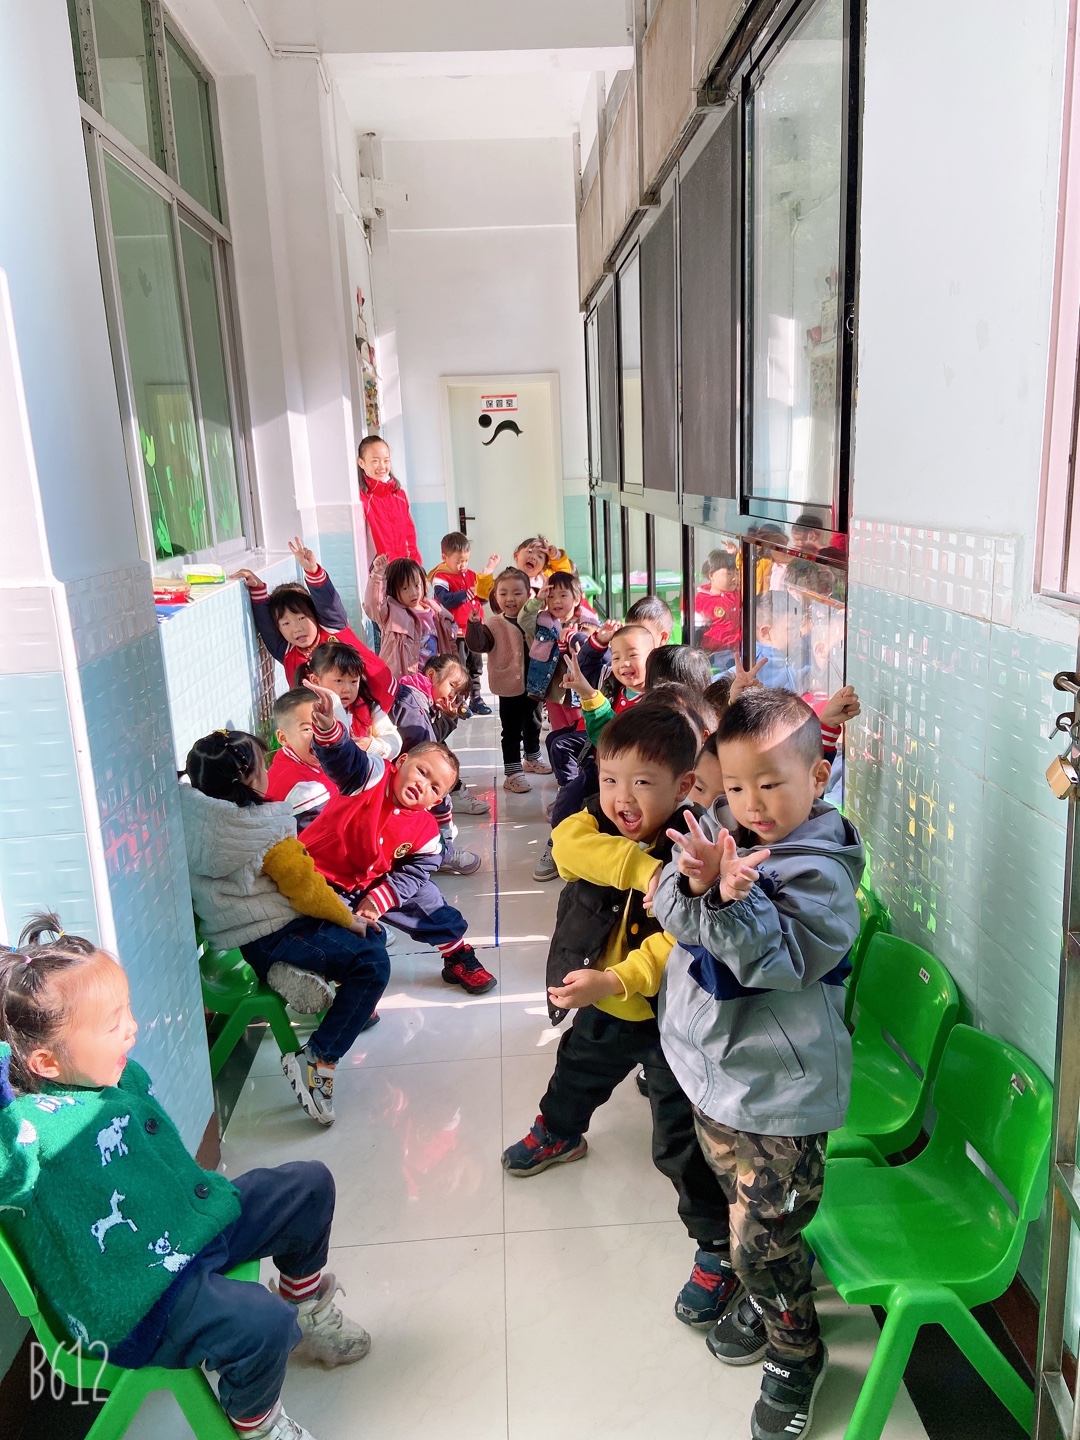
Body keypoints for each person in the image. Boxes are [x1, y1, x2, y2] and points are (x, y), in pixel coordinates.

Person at [0, 914, 372, 1440]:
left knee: (308, 1186)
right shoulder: (27, 1131)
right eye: (112, 1023)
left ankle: (305, 1303)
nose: (132, 1027)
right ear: (45, 1062)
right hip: (141, 1299)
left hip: (189, 1225)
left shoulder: (106, 1076)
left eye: (126, 1010)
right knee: (262, 1323)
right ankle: (258, 1423)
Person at [653, 688, 865, 1440]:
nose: (752, 804)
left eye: (771, 784)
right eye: (737, 786)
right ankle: (766, 1288)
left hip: (782, 1089)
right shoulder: (722, 829)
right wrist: (695, 883)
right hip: (714, 1068)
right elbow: (669, 910)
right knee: (742, 1210)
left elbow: (781, 963)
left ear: (818, 776)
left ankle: (796, 1352)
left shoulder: (822, 874)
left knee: (764, 1238)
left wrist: (731, 904)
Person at [502, 707, 740, 1325]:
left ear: (684, 786)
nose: (621, 797)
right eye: (610, 779)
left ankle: (717, 1248)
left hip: (669, 1022)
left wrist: (613, 979)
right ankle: (561, 1132)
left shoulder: (696, 853)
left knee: (679, 1139)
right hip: (603, 1004)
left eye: (642, 782)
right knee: (575, 1071)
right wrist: (642, 867)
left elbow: (680, 945)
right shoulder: (596, 824)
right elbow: (566, 846)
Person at [180, 730, 390, 1126]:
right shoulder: (266, 829)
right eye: (264, 766)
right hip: (281, 932)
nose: (269, 771)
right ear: (247, 780)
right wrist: (349, 919)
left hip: (243, 941)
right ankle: (318, 1058)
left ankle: (293, 974)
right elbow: (307, 892)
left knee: (359, 943)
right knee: (372, 960)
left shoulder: (192, 817)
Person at [300, 684, 497, 996]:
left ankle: (457, 956)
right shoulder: (371, 776)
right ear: (402, 761)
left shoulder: (427, 832)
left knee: (429, 902)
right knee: (348, 935)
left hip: (373, 880)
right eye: (422, 771)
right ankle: (349, 984)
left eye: (435, 788)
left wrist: (379, 899)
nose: (423, 785)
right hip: (320, 876)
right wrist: (329, 731)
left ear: (437, 802)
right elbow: (344, 760)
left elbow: (415, 873)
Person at [233, 538, 394, 705]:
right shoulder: (287, 652)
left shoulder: (332, 627)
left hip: (388, 702)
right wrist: (257, 589)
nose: (297, 628)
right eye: (286, 623)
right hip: (346, 716)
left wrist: (313, 571)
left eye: (302, 618)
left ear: (315, 614)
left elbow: (328, 602)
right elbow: (266, 625)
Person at [391, 654, 485, 877]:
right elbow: (428, 752)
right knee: (435, 786)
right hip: (400, 784)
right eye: (452, 685)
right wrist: (442, 808)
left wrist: (449, 716)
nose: (453, 695)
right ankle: (441, 852)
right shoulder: (414, 706)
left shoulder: (417, 696)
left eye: (458, 693)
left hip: (398, 778)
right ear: (432, 675)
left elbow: (430, 738)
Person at [465, 567, 552, 794]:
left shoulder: (535, 619)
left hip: (533, 683)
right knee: (511, 730)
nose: (510, 599)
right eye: (503, 593)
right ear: (495, 596)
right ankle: (512, 773)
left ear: (528, 594)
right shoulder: (494, 624)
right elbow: (478, 645)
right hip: (507, 685)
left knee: (534, 722)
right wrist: (474, 626)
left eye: (517, 593)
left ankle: (532, 756)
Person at [429, 532, 499, 716]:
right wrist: (467, 594)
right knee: (459, 667)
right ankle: (460, 701)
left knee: (476, 666)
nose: (463, 565)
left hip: (473, 630)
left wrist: (488, 572)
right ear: (444, 557)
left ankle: (476, 697)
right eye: (459, 561)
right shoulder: (441, 577)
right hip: (457, 633)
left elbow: (482, 597)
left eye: (466, 560)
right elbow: (445, 599)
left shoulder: (471, 575)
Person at [364, 555, 457, 680]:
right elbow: (374, 605)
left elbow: (450, 634)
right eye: (405, 588)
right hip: (405, 680)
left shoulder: (435, 610)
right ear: (392, 590)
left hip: (433, 678)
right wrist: (378, 574)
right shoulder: (391, 613)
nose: (413, 593)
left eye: (417, 585)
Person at [303, 640, 401, 757]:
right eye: (339, 681)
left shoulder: (369, 707)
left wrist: (372, 746)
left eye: (354, 681)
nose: (347, 689)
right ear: (315, 680)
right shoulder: (307, 711)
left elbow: (395, 742)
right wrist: (335, 702)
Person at [264, 689, 340, 830]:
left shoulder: (287, 758)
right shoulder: (307, 790)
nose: (319, 734)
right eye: (307, 729)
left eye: (324, 724)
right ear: (283, 738)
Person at [357, 435, 420, 565]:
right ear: (361, 463)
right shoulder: (362, 499)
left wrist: (416, 565)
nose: (382, 466)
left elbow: (409, 534)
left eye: (386, 460)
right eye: (375, 461)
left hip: (404, 570)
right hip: (379, 571)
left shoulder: (400, 495)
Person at [695, 551, 742, 667]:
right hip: (716, 655)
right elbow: (695, 633)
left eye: (736, 573)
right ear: (711, 576)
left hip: (739, 650)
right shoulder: (702, 601)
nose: (734, 578)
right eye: (729, 574)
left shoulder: (737, 594)